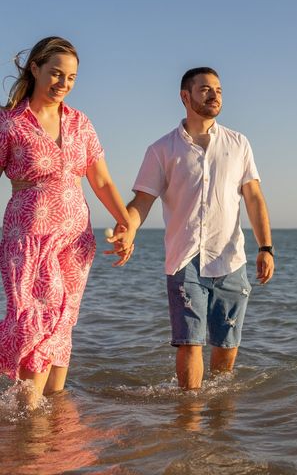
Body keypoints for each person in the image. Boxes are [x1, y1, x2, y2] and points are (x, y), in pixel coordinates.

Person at [0, 37, 134, 408]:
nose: (63, 83)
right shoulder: (9, 121)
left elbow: (102, 180)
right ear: (35, 69)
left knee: (62, 319)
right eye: (56, 73)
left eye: (71, 77)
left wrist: (127, 224)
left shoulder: (80, 123)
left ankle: (53, 408)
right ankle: (27, 409)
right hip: (28, 237)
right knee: (38, 314)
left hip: (75, 239)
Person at [123, 67, 274, 390]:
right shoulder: (162, 149)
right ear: (185, 96)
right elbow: (142, 200)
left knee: (226, 345)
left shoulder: (238, 143)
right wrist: (128, 228)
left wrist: (265, 247)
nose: (214, 94)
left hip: (230, 258)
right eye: (205, 89)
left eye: (218, 89)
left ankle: (219, 422)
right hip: (184, 259)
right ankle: (188, 423)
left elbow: (254, 197)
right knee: (189, 341)